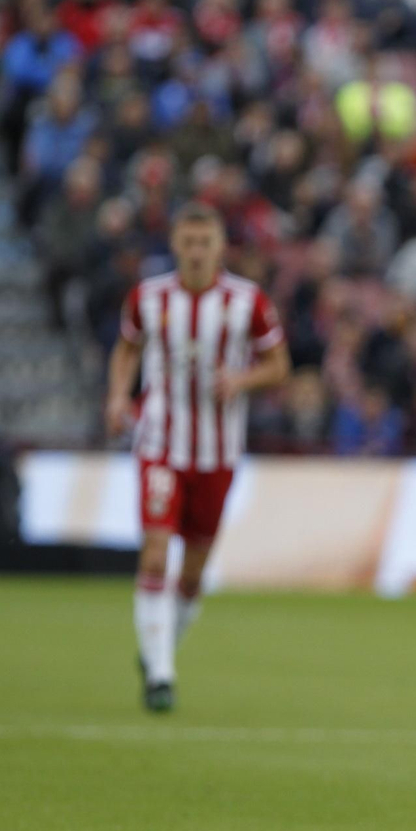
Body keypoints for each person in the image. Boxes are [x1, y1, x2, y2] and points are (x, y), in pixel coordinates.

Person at [105, 203, 290, 713]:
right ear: (174, 244)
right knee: (155, 553)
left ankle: (158, 648)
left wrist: (242, 380)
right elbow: (127, 348)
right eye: (187, 242)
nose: (195, 252)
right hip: (160, 444)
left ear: (220, 247)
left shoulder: (247, 302)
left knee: (193, 573)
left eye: (204, 243)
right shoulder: (148, 297)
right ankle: (161, 675)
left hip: (217, 453)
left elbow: (279, 365)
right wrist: (118, 396)